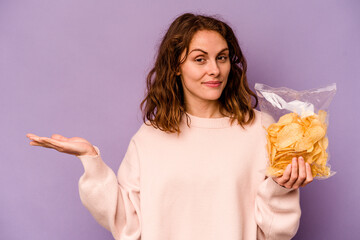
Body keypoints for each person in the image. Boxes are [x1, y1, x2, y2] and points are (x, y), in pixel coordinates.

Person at [26, 12, 313, 240]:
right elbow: (128, 225)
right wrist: (90, 159)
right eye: (200, 59)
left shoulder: (262, 130)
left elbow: (275, 233)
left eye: (222, 57)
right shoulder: (150, 138)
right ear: (176, 66)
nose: (214, 69)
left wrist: (280, 187)